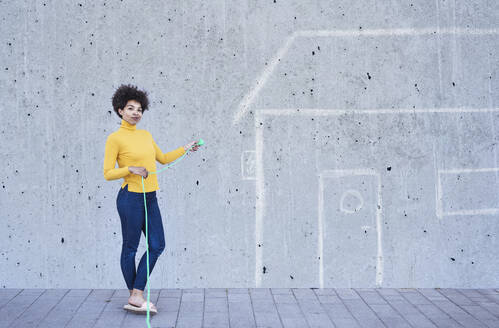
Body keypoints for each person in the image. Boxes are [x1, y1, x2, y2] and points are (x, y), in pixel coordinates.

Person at [103, 84, 199, 314]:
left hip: (150, 198)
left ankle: (136, 293)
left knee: (157, 245)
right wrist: (130, 169)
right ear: (120, 110)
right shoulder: (115, 139)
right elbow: (108, 173)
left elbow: (164, 158)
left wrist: (185, 149)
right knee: (130, 248)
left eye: (139, 109)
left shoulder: (145, 135)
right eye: (130, 108)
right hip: (130, 199)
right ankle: (135, 295)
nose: (136, 113)